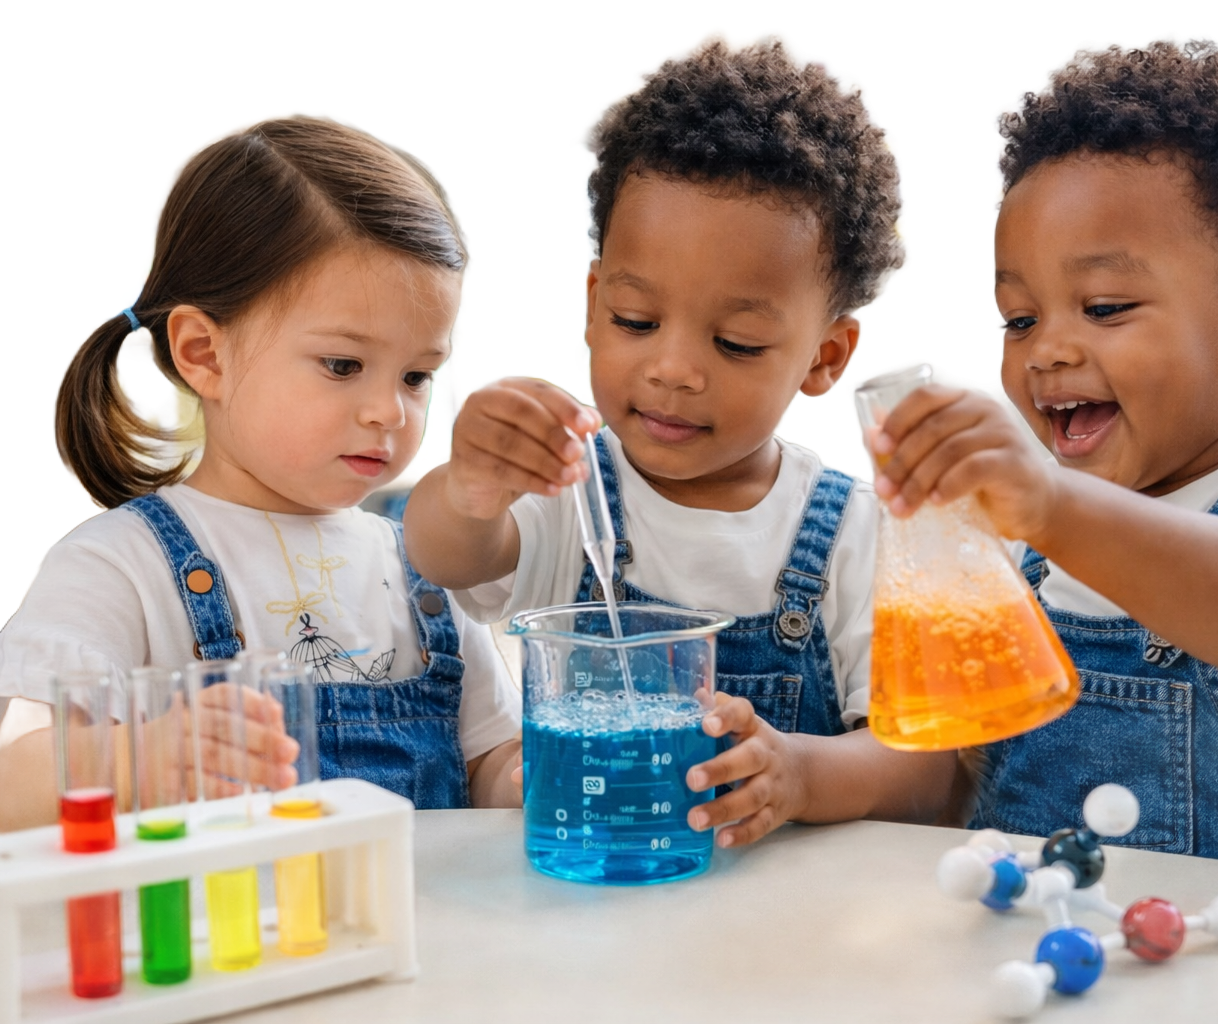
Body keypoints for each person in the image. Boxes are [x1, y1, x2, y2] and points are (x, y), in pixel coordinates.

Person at [404, 28, 957, 849]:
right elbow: (448, 556)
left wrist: (800, 774)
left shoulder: (859, 530)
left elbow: (926, 769)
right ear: (594, 305)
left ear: (825, 356)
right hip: (599, 913)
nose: (674, 369)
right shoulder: (569, 486)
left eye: (734, 343)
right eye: (636, 321)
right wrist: (472, 485)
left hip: (792, 938)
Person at [871, 31, 1218, 875]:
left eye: (1107, 306)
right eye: (1019, 319)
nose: (1045, 352)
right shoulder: (1013, 535)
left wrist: (1052, 507)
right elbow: (947, 778)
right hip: (1034, 970)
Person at [0, 111, 522, 831]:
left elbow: (491, 765)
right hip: (228, 942)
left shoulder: (430, 568)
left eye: (415, 374)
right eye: (343, 365)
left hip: (431, 942)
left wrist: (552, 774)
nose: (389, 413)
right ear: (205, 354)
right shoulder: (118, 566)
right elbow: (19, 788)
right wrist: (145, 756)